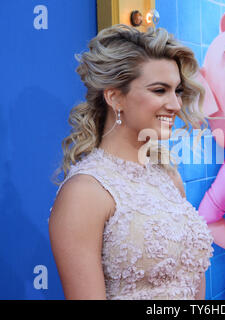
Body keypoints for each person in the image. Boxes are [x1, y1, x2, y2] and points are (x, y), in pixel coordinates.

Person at [49, 24, 213, 300]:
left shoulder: (169, 178)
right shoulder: (85, 192)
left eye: (177, 91)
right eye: (160, 90)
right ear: (115, 97)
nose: (174, 104)